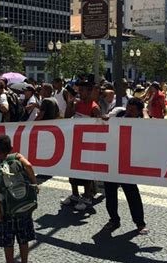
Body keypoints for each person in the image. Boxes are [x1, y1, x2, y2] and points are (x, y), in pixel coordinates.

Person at [0, 135, 38, 263]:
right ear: (10, 147)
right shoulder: (17, 157)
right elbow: (29, 166)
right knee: (24, 238)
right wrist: (34, 184)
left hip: (6, 209)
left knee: (8, 241)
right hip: (23, 206)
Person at [102, 98, 149, 235]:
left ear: (139, 111)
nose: (128, 111)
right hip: (111, 158)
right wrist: (105, 117)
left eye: (133, 110)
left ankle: (140, 223)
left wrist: (145, 112)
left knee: (132, 193)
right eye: (128, 108)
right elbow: (106, 117)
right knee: (110, 192)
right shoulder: (119, 112)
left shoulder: (141, 120)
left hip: (128, 162)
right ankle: (113, 220)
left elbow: (149, 124)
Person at [63, 80, 100, 211]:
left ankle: (87, 196)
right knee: (72, 169)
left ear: (90, 92)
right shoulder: (77, 104)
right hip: (75, 141)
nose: (80, 93)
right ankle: (74, 194)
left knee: (86, 171)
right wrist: (69, 103)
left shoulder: (94, 107)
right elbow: (67, 116)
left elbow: (100, 127)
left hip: (88, 144)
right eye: (79, 90)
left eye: (82, 90)